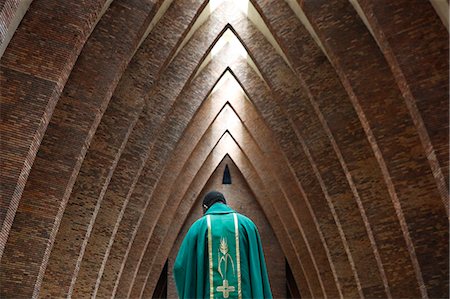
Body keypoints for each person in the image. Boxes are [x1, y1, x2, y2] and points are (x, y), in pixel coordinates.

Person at [173, 191, 272, 299]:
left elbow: (179, 267)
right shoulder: (247, 225)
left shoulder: (198, 227)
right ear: (224, 203)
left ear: (205, 207)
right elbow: (257, 268)